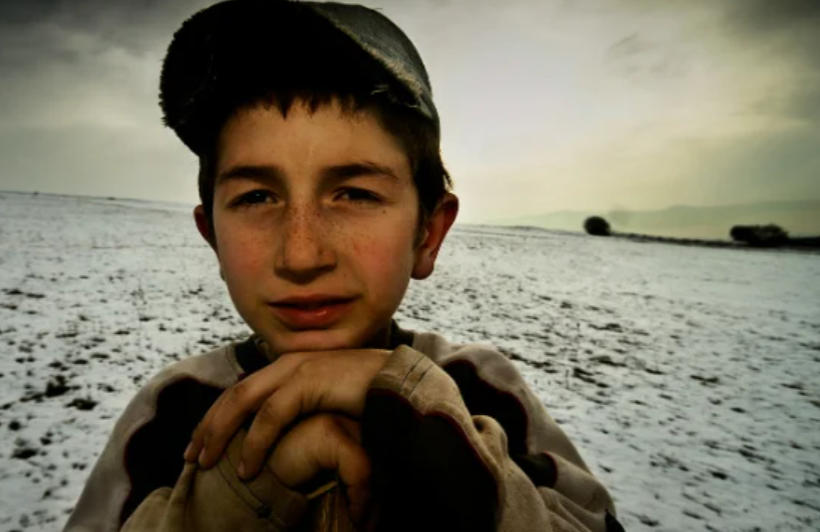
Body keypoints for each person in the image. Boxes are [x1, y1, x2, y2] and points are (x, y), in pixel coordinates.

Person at [64, 1, 623, 531]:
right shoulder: (172, 412)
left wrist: (452, 462)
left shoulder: (484, 391)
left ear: (427, 235)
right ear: (213, 237)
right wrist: (239, 494)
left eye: (354, 193)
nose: (301, 255)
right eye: (257, 197)